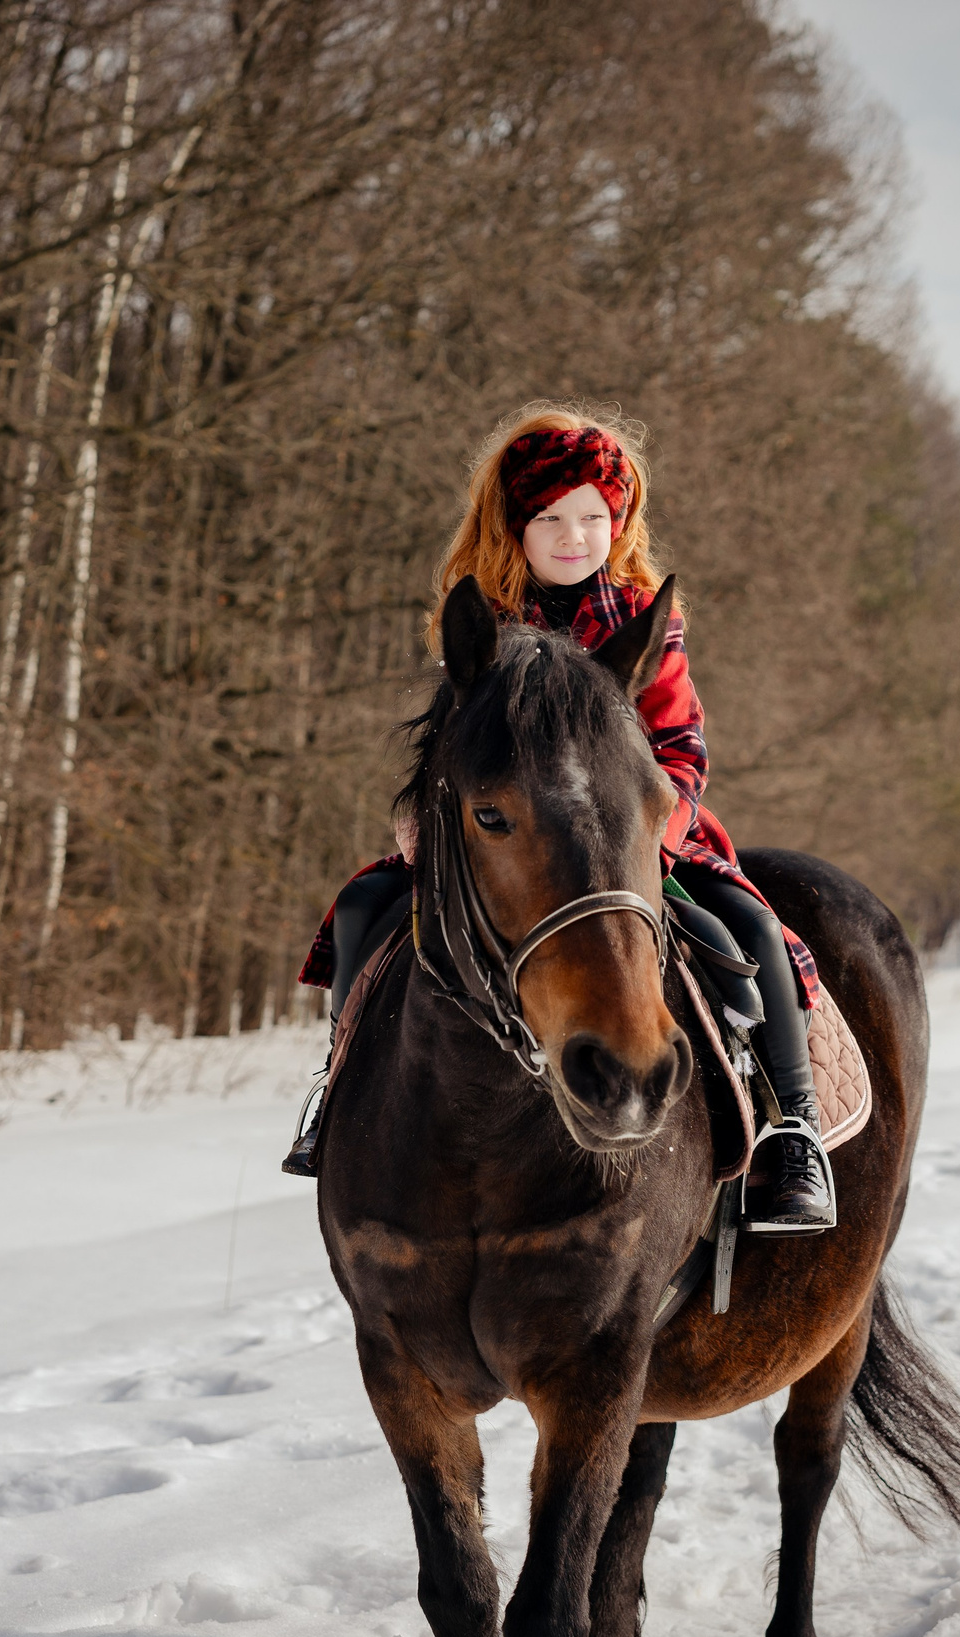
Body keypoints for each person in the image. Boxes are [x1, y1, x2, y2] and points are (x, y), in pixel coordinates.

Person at [280, 406, 835, 1235]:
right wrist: (416, 819)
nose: (575, 535)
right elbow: (446, 753)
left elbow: (681, 747)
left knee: (752, 925)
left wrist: (657, 825)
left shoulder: (644, 621)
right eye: (550, 518)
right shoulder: (486, 623)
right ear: (514, 526)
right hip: (508, 840)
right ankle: (338, 1084)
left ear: (620, 521)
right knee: (362, 907)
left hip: (633, 836)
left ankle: (794, 1125)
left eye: (593, 517)